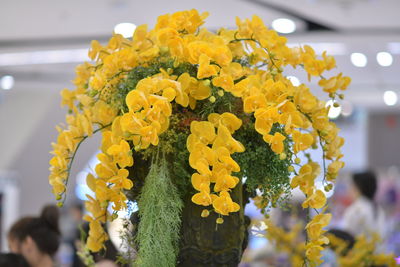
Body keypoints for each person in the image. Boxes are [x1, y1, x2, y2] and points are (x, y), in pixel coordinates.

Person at [341, 171, 386, 245]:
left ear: (358, 188)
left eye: (351, 185)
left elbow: (346, 239)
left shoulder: (355, 210)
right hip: (378, 255)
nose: (348, 189)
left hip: (359, 254)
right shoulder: (378, 209)